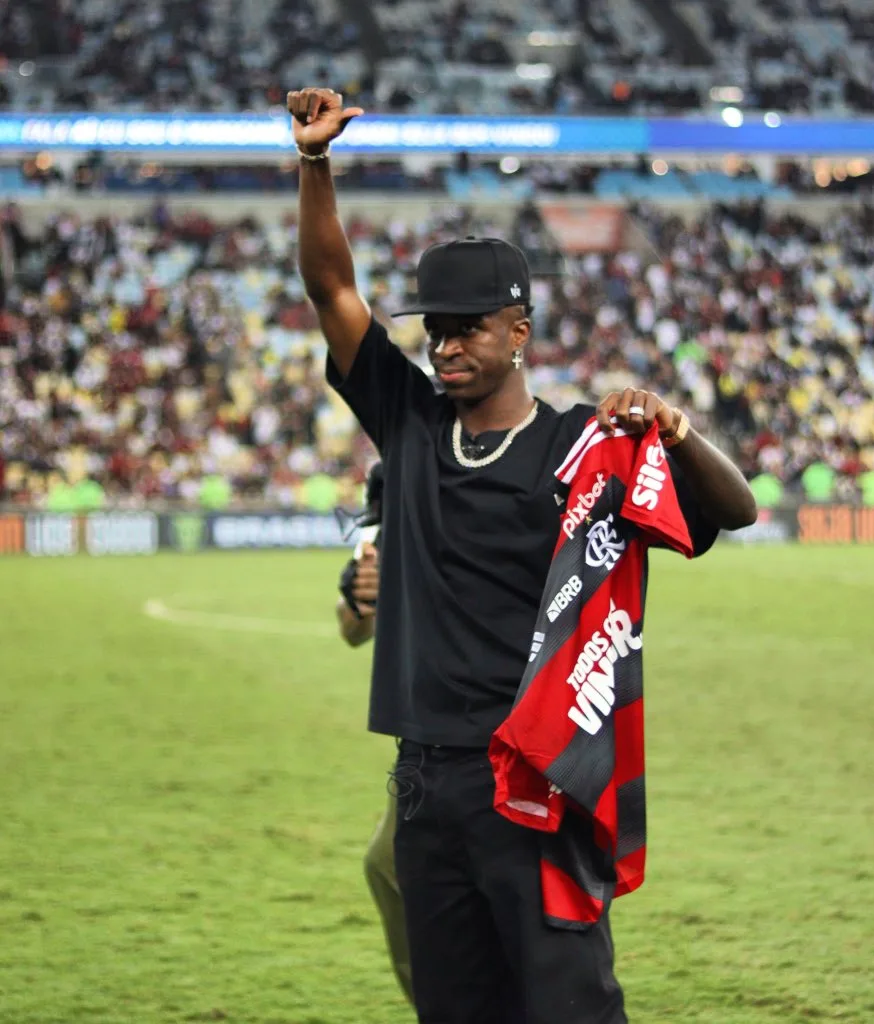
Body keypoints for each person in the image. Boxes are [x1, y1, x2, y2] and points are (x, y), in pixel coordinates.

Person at [289, 86, 757, 1024]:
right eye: (435, 328)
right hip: (424, 786)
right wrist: (313, 164)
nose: (445, 345)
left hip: (537, 778)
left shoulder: (585, 447)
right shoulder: (410, 423)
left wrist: (679, 431)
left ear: (520, 333)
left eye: (468, 327)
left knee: (568, 1006)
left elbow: (732, 512)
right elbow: (334, 290)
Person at [335, 463, 414, 1005]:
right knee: (387, 865)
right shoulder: (383, 539)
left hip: (490, 728)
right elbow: (352, 628)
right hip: (423, 738)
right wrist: (364, 599)